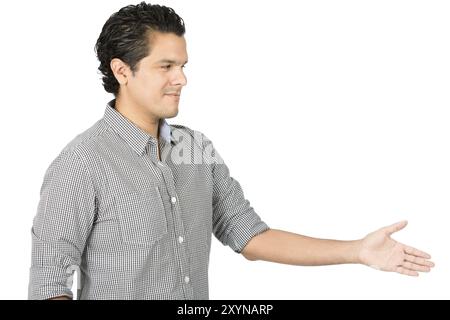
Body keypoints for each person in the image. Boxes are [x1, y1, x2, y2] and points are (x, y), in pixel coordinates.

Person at [28, 2, 434, 300]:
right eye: (166, 66)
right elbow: (49, 283)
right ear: (122, 72)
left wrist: (356, 251)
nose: (182, 79)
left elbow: (249, 236)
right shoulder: (81, 163)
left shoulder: (194, 148)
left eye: (184, 65)